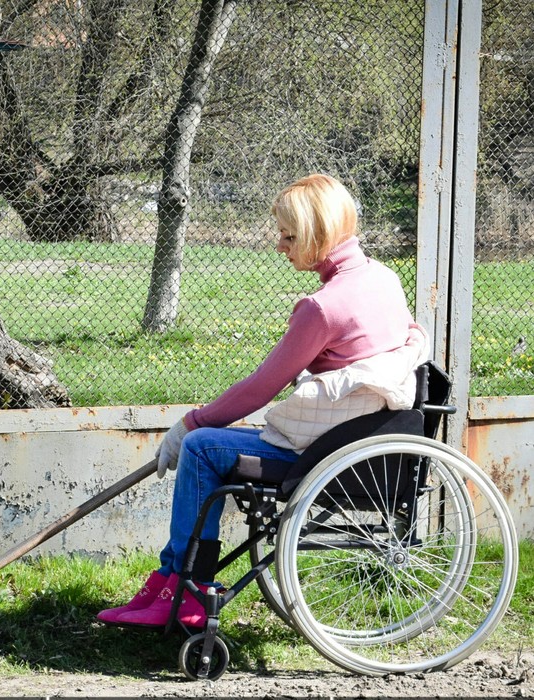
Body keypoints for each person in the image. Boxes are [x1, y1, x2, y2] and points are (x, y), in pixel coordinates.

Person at [97, 173, 429, 629]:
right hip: (365, 438)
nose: (280, 245)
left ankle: (187, 588)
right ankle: (169, 578)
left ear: (319, 232)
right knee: (209, 443)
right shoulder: (383, 279)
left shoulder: (324, 307)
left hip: (321, 449)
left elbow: (261, 388)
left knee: (201, 448)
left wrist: (189, 423)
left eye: (289, 235)